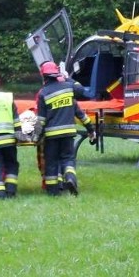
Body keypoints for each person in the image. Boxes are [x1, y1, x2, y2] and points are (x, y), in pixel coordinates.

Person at [37, 61, 95, 196]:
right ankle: (70, 178)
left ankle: (53, 192)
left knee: (51, 162)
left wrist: (36, 136)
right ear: (57, 74)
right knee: (68, 159)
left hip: (51, 135)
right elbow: (81, 93)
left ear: (43, 76)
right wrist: (91, 129)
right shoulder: (68, 88)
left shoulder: (43, 93)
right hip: (68, 133)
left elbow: (41, 120)